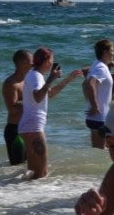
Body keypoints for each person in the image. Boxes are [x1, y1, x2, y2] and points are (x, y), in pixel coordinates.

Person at [19, 47, 83, 179]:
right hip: (33, 127)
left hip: (28, 127)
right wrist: (51, 79)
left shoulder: (34, 75)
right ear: (47, 61)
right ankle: (31, 196)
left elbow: (50, 93)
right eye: (52, 60)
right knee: (41, 173)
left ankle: (25, 195)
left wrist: (68, 79)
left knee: (33, 172)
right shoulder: (36, 76)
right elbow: (38, 97)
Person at [83, 39, 114, 149]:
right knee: (101, 151)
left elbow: (84, 84)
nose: (113, 53)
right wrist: (94, 106)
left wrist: (89, 102)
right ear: (105, 52)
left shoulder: (96, 65)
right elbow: (90, 83)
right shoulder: (101, 67)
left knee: (100, 151)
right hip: (99, 118)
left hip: (96, 117)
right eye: (112, 50)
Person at [2, 49, 32, 164]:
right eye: (31, 60)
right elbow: (12, 109)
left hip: (28, 128)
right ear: (23, 62)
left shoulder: (28, 80)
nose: (33, 63)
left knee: (28, 166)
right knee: (17, 167)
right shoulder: (11, 83)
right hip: (15, 131)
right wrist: (30, 100)